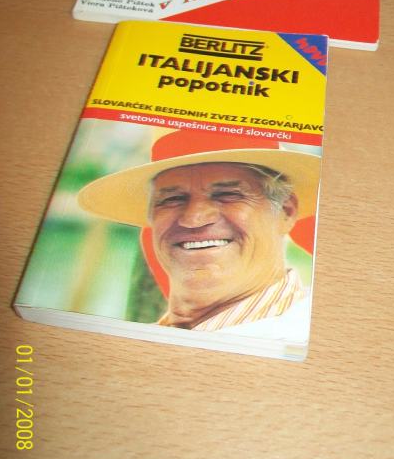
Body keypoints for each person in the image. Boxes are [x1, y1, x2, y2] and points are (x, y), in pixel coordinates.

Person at [78, 129, 320, 340]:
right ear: (151, 216)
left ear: (286, 211)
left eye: (228, 194)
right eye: (173, 198)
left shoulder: (305, 335)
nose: (194, 218)